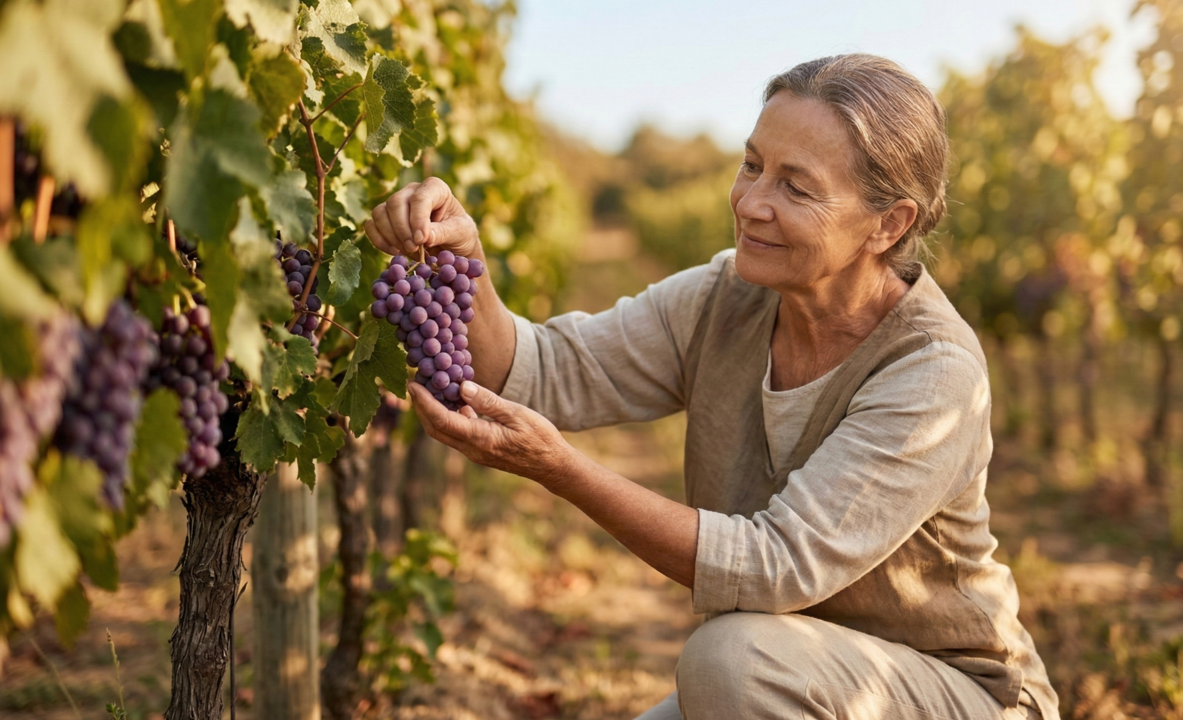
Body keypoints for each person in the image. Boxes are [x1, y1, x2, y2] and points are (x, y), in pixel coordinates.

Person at [363, 53, 1060, 720]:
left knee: (728, 661)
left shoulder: (931, 369)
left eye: (795, 185)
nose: (752, 202)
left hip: (953, 694)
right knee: (737, 665)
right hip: (798, 675)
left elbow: (773, 568)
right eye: (752, 165)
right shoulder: (723, 298)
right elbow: (542, 372)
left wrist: (562, 471)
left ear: (889, 224)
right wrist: (468, 259)